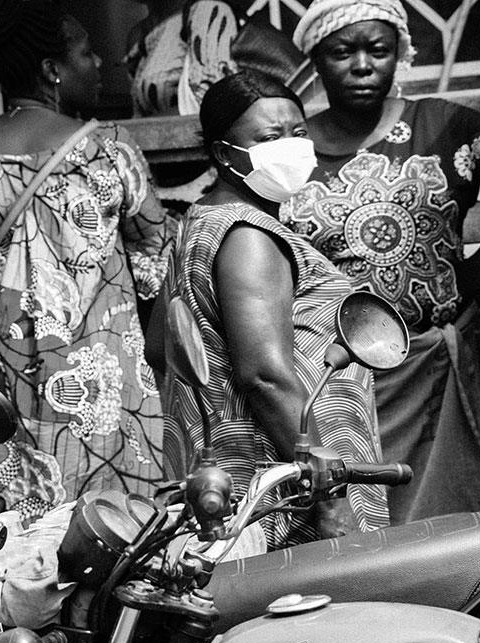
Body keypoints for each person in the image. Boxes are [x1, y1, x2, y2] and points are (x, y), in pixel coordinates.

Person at [0, 0, 174, 516]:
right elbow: (155, 264)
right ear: (52, 70)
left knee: (6, 541)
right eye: (86, 54)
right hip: (102, 387)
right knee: (115, 532)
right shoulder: (109, 149)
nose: (98, 65)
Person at [283, 0, 480, 524]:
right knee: (350, 523)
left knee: (443, 521)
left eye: (378, 50)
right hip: (330, 377)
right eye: (342, 52)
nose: (362, 65)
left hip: (429, 366)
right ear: (317, 57)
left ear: (399, 53)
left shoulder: (441, 125)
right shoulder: (291, 148)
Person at [157, 70, 388, 550]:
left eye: (298, 133)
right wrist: (330, 497)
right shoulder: (249, 236)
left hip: (232, 480)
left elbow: (163, 347)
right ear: (224, 154)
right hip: (286, 493)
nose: (291, 146)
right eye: (269, 137)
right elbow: (265, 374)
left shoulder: (197, 223)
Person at [125, 0, 238, 117]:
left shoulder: (206, 10)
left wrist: (145, 129)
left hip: (187, 132)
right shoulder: (137, 35)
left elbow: (210, 102)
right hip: (151, 133)